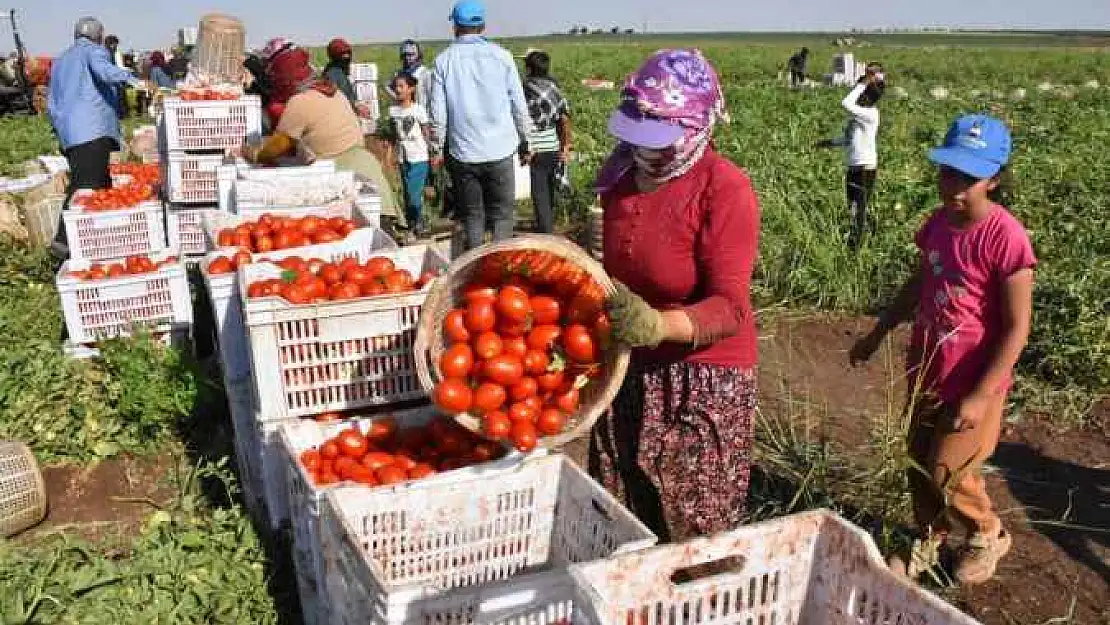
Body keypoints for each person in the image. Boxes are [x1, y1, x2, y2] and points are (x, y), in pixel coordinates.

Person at [850, 114, 1034, 585]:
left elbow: (1016, 329)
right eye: (948, 171)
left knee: (950, 467)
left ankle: (986, 532)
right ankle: (928, 539)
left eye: (968, 178)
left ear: (993, 179)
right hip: (929, 367)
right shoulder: (937, 224)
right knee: (917, 458)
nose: (954, 186)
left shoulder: (1005, 237)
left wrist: (979, 395)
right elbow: (920, 282)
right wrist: (878, 332)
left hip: (976, 380)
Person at [589, 49, 761, 543]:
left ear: (697, 127)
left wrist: (659, 325)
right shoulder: (619, 177)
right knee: (620, 512)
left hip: (704, 376)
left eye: (660, 137)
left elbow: (730, 307)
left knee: (693, 527)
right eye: (638, 132)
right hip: (629, 365)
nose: (646, 148)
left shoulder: (723, 189)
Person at [247, 44, 401, 235]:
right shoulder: (332, 91)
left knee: (361, 241)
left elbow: (279, 146)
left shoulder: (300, 102)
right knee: (382, 236)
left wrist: (252, 153)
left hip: (343, 176)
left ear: (283, 77)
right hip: (368, 168)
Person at [429, 0, 531, 250]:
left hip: (463, 153)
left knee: (473, 216)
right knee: (503, 216)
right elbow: (519, 104)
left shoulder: (444, 62)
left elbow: (438, 115)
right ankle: (499, 271)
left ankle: (476, 271)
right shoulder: (502, 57)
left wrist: (435, 149)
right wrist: (525, 140)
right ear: (483, 26)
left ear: (455, 26)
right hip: (500, 150)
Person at [47, 17, 140, 255]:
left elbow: (52, 100)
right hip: (91, 129)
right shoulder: (94, 52)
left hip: (69, 132)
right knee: (85, 186)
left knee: (98, 184)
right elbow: (106, 72)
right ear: (98, 35)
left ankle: (98, 238)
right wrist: (132, 79)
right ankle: (63, 240)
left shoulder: (61, 60)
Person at [818, 62, 884, 249]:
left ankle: (856, 247)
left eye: (861, 93)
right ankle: (855, 241)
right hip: (854, 167)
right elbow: (849, 139)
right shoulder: (858, 117)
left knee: (859, 209)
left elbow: (845, 103)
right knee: (852, 208)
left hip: (865, 169)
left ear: (866, 95)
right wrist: (829, 143)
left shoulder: (871, 114)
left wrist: (864, 83)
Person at [522, 50, 572, 234]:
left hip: (534, 148)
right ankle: (548, 225)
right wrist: (565, 146)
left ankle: (546, 233)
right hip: (553, 146)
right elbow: (564, 119)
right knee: (550, 189)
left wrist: (524, 147)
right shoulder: (554, 90)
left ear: (528, 68)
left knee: (539, 193)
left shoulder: (524, 88)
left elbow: (519, 117)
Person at [389, 73, 432, 239]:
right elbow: (394, 135)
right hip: (403, 156)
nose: (398, 90)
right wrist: (391, 153)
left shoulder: (418, 110)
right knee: (407, 192)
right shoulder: (393, 111)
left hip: (419, 156)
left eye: (402, 86)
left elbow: (425, 131)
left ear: (411, 89)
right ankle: (413, 223)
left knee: (414, 194)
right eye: (396, 87)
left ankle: (418, 220)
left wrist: (431, 150)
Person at [387, 40, 432, 108]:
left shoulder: (426, 74)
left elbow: (432, 97)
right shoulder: (398, 74)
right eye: (405, 55)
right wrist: (397, 99)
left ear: (418, 55)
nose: (407, 58)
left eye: (411, 54)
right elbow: (388, 87)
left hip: (420, 114)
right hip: (402, 113)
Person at [323, 38, 357, 106]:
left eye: (348, 53)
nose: (346, 56)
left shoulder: (340, 71)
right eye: (343, 53)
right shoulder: (333, 74)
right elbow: (339, 101)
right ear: (335, 56)